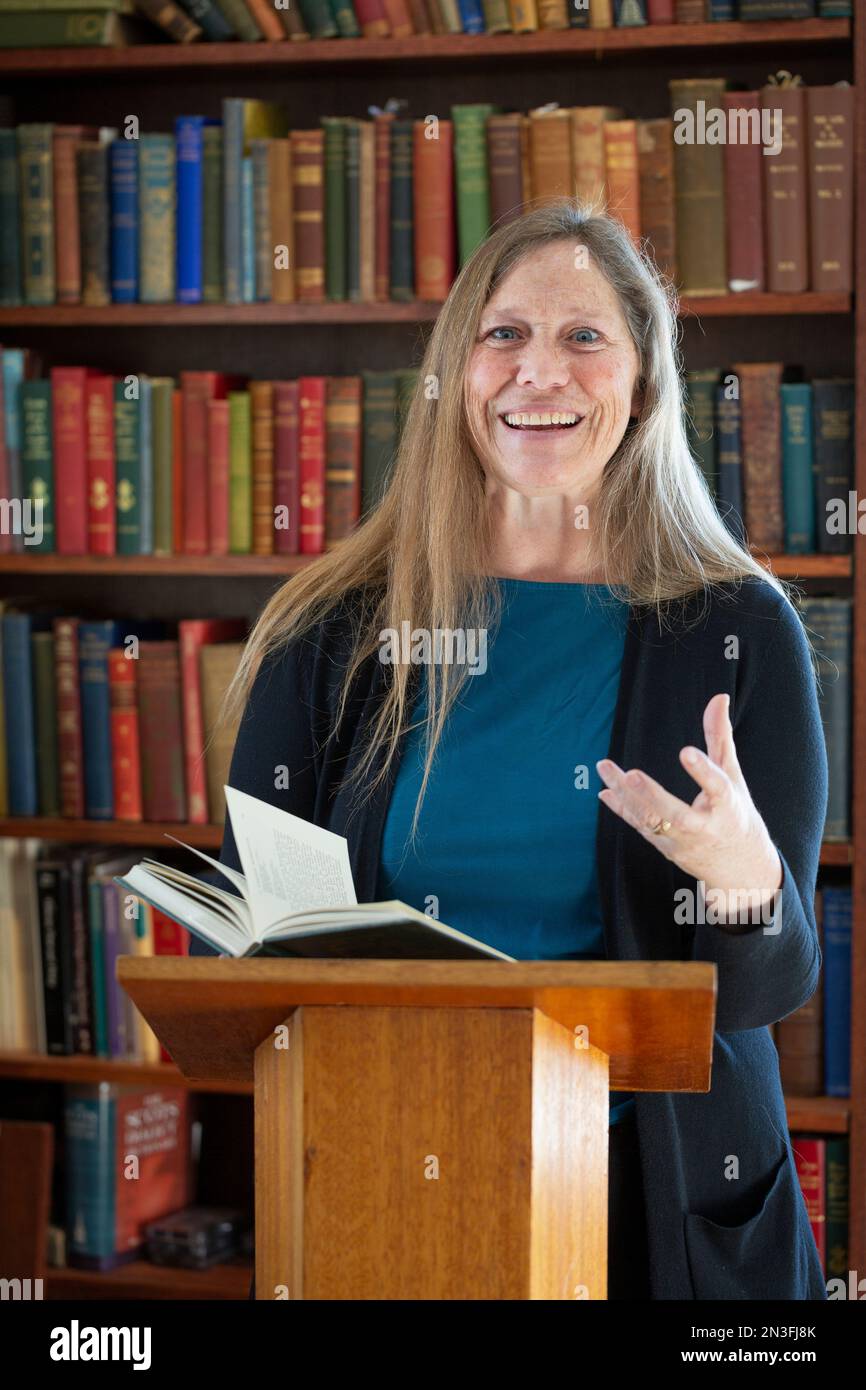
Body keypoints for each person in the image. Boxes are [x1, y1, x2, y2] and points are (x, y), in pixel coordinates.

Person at [198, 200, 828, 1301]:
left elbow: (764, 989)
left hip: (659, 1193)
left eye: (584, 337)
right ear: (456, 375)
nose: (539, 371)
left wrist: (741, 881)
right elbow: (257, 942)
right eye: (504, 335)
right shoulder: (329, 627)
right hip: (395, 1173)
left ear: (638, 386)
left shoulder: (740, 627)